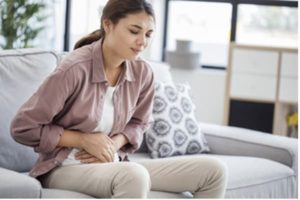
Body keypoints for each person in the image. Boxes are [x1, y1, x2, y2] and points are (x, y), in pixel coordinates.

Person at [10, 0, 227, 198]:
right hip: (64, 167)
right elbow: (22, 127)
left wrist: (115, 143)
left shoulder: (143, 73)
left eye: (149, 34)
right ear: (108, 25)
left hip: (112, 163)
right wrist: (82, 140)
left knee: (214, 172)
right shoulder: (74, 69)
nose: (142, 42)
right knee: (134, 175)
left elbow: (140, 122)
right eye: (134, 31)